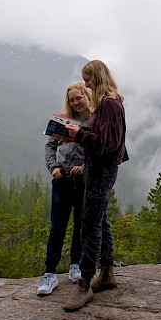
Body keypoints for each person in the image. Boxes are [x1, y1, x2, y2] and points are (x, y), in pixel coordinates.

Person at [61, 60, 128, 311]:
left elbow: (107, 146)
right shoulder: (107, 103)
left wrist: (78, 135)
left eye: (87, 78)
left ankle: (85, 283)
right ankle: (108, 273)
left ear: (97, 77)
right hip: (97, 169)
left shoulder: (109, 105)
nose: (86, 82)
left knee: (89, 225)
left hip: (101, 171)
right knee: (100, 220)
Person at [36, 81, 93, 296]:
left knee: (81, 224)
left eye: (79, 97)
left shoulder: (94, 121)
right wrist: (53, 167)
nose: (76, 102)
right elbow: (50, 146)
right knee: (57, 226)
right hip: (62, 179)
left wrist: (85, 167)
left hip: (83, 182)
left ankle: (75, 266)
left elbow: (97, 150)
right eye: (72, 99)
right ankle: (50, 274)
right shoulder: (62, 120)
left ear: (87, 96)